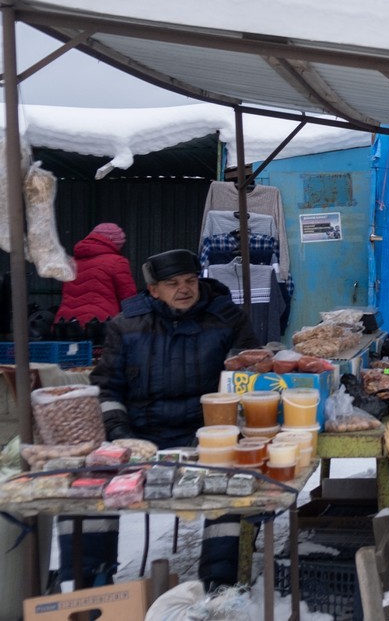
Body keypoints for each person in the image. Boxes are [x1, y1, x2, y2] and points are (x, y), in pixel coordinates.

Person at [61, 249, 261, 589]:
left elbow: (246, 380)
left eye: (190, 281)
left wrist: (221, 433)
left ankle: (219, 582)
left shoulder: (229, 319)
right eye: (172, 284)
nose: (184, 289)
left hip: (208, 437)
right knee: (85, 489)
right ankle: (88, 584)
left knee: (238, 488)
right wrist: (120, 433)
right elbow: (106, 388)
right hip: (140, 437)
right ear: (153, 289)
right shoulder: (125, 326)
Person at [54, 223, 137, 342]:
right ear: (115, 244)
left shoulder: (72, 262)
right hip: (100, 325)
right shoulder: (118, 262)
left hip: (67, 325)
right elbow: (128, 299)